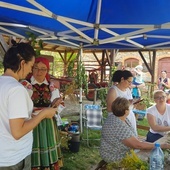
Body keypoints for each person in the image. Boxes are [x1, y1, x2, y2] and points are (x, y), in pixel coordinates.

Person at [0, 42, 57, 169]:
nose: (31, 70)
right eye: (32, 66)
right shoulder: (16, 89)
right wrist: (43, 114)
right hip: (13, 157)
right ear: (22, 63)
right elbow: (18, 132)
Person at [100, 97, 170, 163]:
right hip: (116, 156)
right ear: (126, 111)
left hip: (122, 151)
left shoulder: (118, 118)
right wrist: (163, 145)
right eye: (129, 107)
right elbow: (137, 145)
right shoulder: (118, 124)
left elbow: (133, 140)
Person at [24, 57, 63, 170]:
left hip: (48, 124)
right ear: (31, 69)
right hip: (32, 123)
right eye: (36, 68)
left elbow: (59, 107)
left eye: (43, 69)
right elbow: (23, 107)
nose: (39, 72)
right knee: (34, 145)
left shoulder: (52, 86)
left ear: (47, 70)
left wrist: (56, 104)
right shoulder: (26, 85)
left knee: (48, 143)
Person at [106, 70, 137, 134]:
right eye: (129, 82)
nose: (130, 84)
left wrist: (134, 103)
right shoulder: (113, 90)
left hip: (129, 117)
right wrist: (124, 105)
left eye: (131, 82)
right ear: (122, 79)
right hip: (118, 120)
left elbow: (130, 104)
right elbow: (109, 109)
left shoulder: (128, 90)